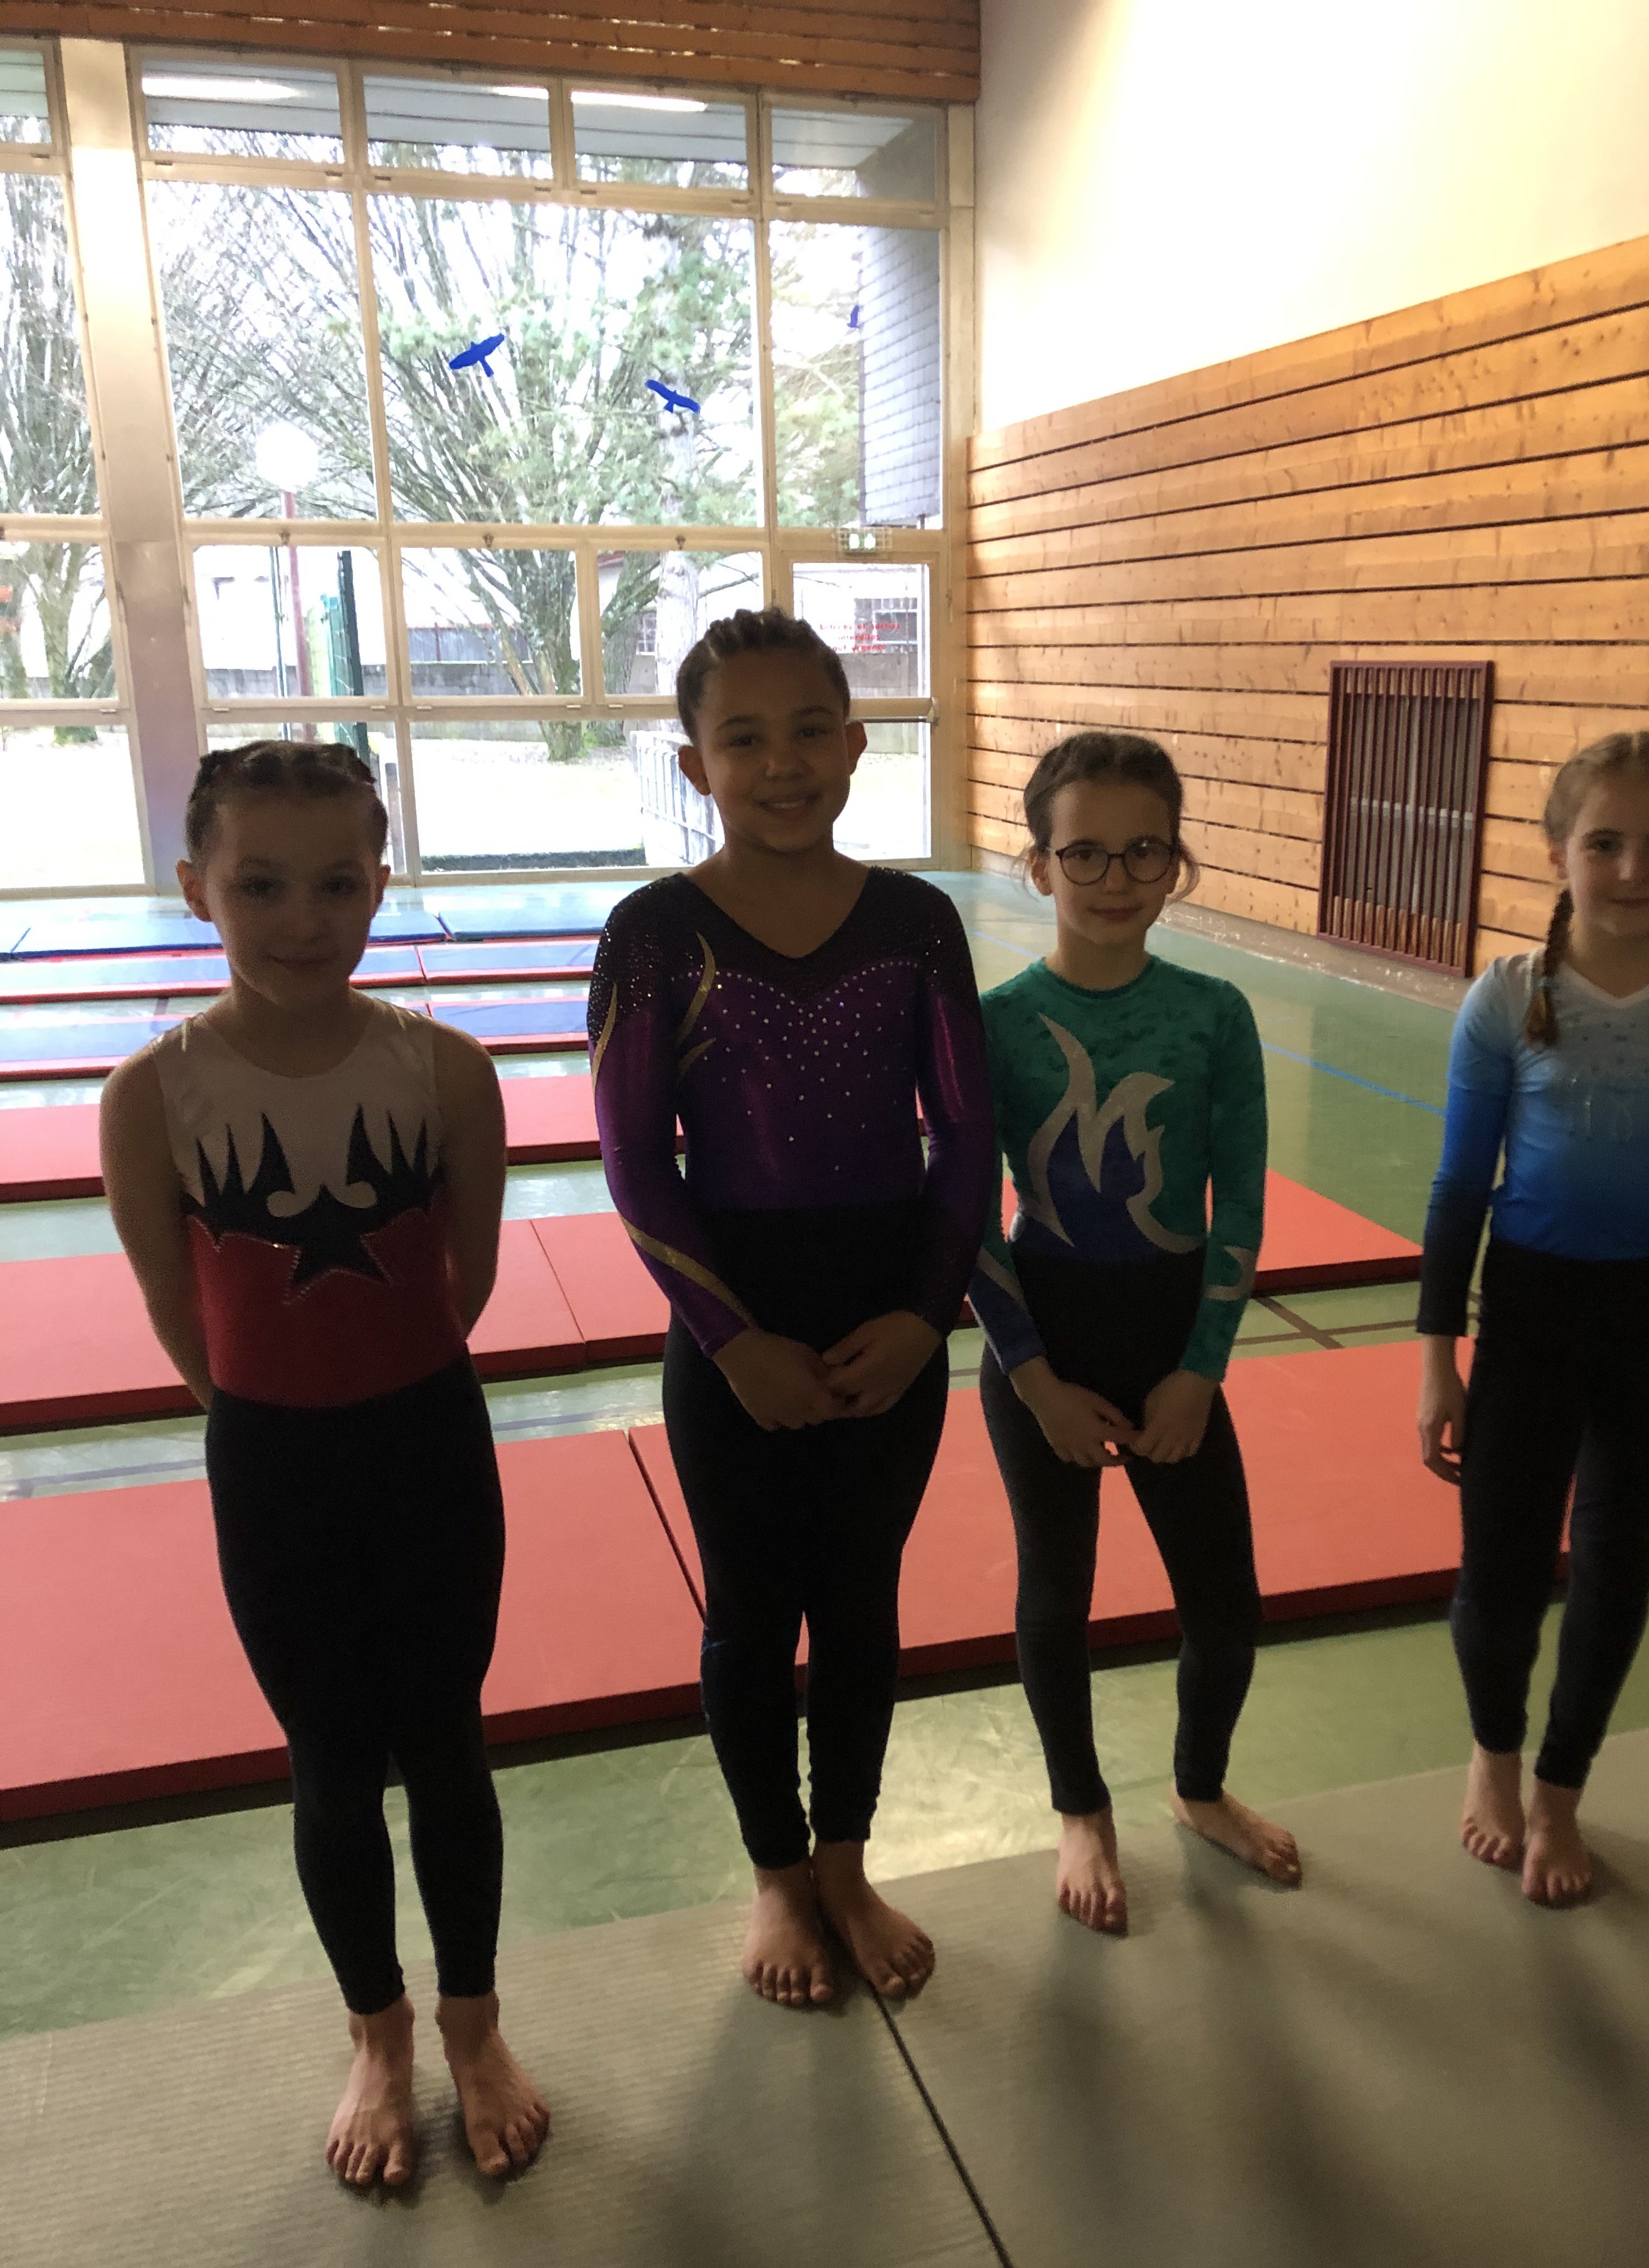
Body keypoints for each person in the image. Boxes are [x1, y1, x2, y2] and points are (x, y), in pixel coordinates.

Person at [100, 740, 548, 2188]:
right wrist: (281, 1412)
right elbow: (185, 1322)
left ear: (381, 883)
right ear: (197, 888)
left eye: (338, 884)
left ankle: (474, 2021)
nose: (303, 919)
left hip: (427, 1443)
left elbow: (465, 1280)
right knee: (332, 1763)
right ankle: (379, 2032)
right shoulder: (151, 1094)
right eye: (262, 886)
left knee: (448, 1743)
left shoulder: (447, 1070)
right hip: (273, 1461)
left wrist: (373, 1388)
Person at [589, 609, 991, 2008]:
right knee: (752, 1612)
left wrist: (927, 1316)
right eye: (744, 738)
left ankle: (845, 1860)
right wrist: (731, 1340)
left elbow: (969, 1138)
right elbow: (636, 1159)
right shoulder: (654, 931)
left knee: (863, 1601)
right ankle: (774, 1870)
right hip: (735, 1319)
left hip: (890, 1307)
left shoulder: (917, 921)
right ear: (693, 763)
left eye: (810, 730)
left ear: (857, 744)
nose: (782, 764)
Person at [1416, 729, 1649, 1906]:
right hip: (1531, 1310)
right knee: (1501, 1565)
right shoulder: (1508, 996)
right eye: (1606, 843)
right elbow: (1459, 1186)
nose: (1634, 870)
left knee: (1618, 1566)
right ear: (1558, 851)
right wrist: (1437, 1358)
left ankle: (1562, 1789)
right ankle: (1494, 1753)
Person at [969, 730, 1301, 1935]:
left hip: (1172, 1342)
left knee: (1226, 1606)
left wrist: (1199, 1374)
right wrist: (1034, 1379)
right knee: (1057, 1597)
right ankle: (1082, 1809)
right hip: (1045, 1339)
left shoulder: (1214, 1015)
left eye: (1144, 851)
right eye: (1086, 854)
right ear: (1039, 865)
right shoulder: (998, 1022)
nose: (1115, 879)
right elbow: (967, 1222)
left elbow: (1241, 1207)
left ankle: (1199, 1789)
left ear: (1178, 863)